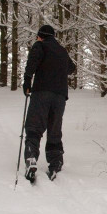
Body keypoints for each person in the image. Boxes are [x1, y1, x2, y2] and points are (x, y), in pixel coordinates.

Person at [22, 25, 76, 183]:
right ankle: (55, 163)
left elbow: (31, 64)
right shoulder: (62, 51)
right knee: (54, 129)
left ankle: (31, 159)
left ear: (40, 36)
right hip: (60, 97)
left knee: (34, 127)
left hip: (41, 93)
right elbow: (71, 68)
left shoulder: (40, 46)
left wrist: (27, 82)